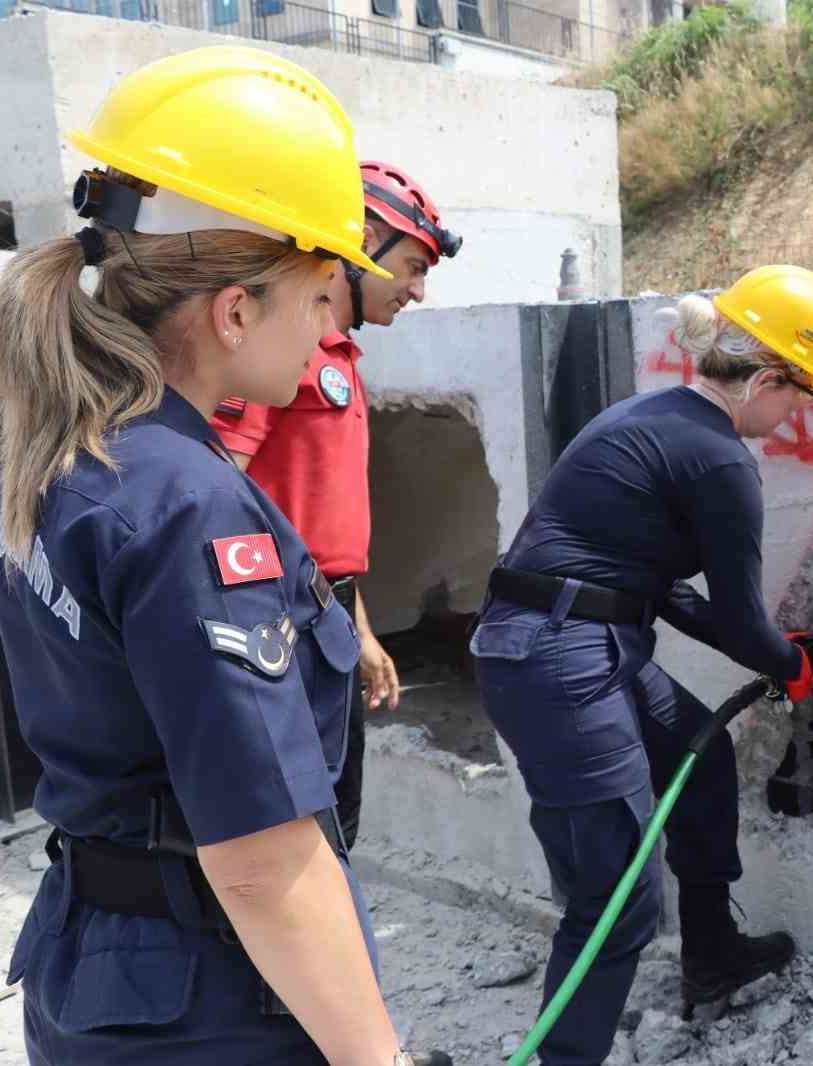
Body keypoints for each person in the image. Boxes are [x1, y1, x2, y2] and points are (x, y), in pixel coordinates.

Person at [0, 46, 443, 1066]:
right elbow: (265, 862)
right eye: (319, 293)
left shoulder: (70, 451)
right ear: (236, 310)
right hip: (202, 996)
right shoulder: (186, 503)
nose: (330, 321)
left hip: (100, 961)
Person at [473, 265, 813, 1064]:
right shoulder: (718, 459)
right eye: (802, 391)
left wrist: (785, 660)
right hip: (562, 658)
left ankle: (710, 956)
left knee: (699, 752)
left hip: (570, 644)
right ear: (769, 376)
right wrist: (793, 662)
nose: (799, 412)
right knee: (616, 898)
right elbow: (744, 620)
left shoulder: (653, 418)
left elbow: (669, 593)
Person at [210, 159, 461, 851]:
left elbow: (323, 532)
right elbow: (210, 490)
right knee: (297, 832)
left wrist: (361, 632)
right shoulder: (279, 347)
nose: (416, 290)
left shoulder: (340, 356)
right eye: (412, 266)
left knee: (335, 821)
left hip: (326, 611)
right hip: (279, 619)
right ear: (362, 239)